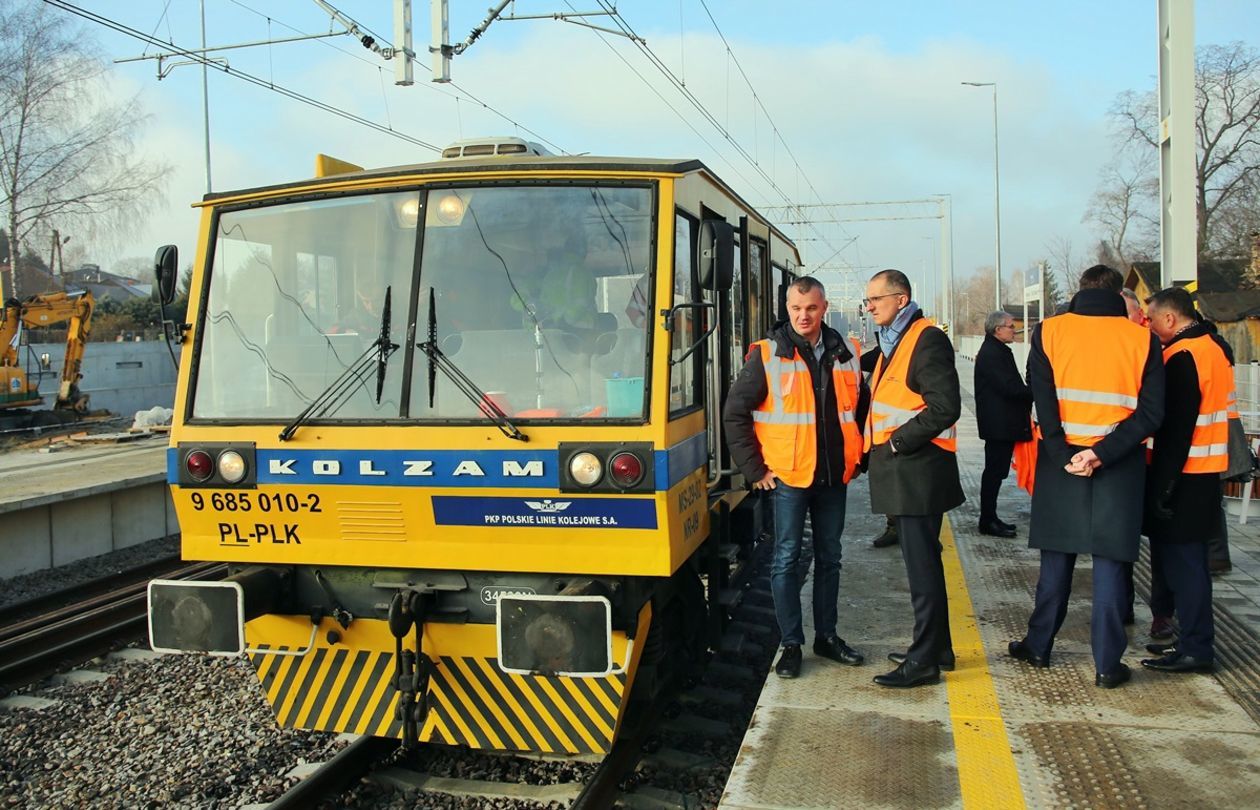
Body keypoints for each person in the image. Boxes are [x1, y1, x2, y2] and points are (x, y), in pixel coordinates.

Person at [1008, 265, 1164, 689]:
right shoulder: (1143, 339)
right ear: (1121, 294)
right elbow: (1151, 414)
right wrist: (1101, 453)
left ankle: (1039, 646)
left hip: (1061, 462)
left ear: (1080, 290)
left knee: (1056, 561)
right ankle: (1107, 666)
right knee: (1112, 566)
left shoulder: (1049, 332)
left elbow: (1041, 400)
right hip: (1120, 463)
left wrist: (1064, 454)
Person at [724, 276, 868, 679]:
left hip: (833, 478)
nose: (803, 316)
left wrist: (859, 456)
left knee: (831, 559)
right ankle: (791, 644)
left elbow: (860, 410)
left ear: (824, 308)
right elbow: (735, 413)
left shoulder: (848, 352)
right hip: (788, 478)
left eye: (811, 308)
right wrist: (755, 470)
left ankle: (827, 636)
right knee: (785, 559)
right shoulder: (767, 355)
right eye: (795, 309)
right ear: (786, 310)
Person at [862, 269, 964, 688]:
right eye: (867, 302)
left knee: (922, 571)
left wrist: (899, 443)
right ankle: (937, 648)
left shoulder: (926, 339)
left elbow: (945, 406)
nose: (869, 308)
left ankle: (924, 662)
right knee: (924, 565)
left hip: (916, 472)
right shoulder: (897, 340)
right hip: (908, 473)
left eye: (875, 300)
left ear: (900, 299)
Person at [1139, 288, 1228, 674]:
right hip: (1207, 472)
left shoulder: (1180, 356)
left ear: (1170, 319)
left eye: (1152, 318)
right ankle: (1193, 640)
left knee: (1186, 566)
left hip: (1185, 477)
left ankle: (1196, 647)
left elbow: (1176, 431)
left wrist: (1162, 488)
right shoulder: (1212, 346)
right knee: (1192, 564)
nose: (1148, 323)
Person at [973, 311, 1033, 537]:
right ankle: (987, 520)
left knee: (996, 472)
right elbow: (1008, 387)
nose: (1014, 329)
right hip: (998, 424)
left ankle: (991, 517)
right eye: (1010, 326)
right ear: (998, 330)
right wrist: (1034, 392)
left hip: (1001, 422)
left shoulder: (996, 350)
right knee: (994, 472)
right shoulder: (992, 353)